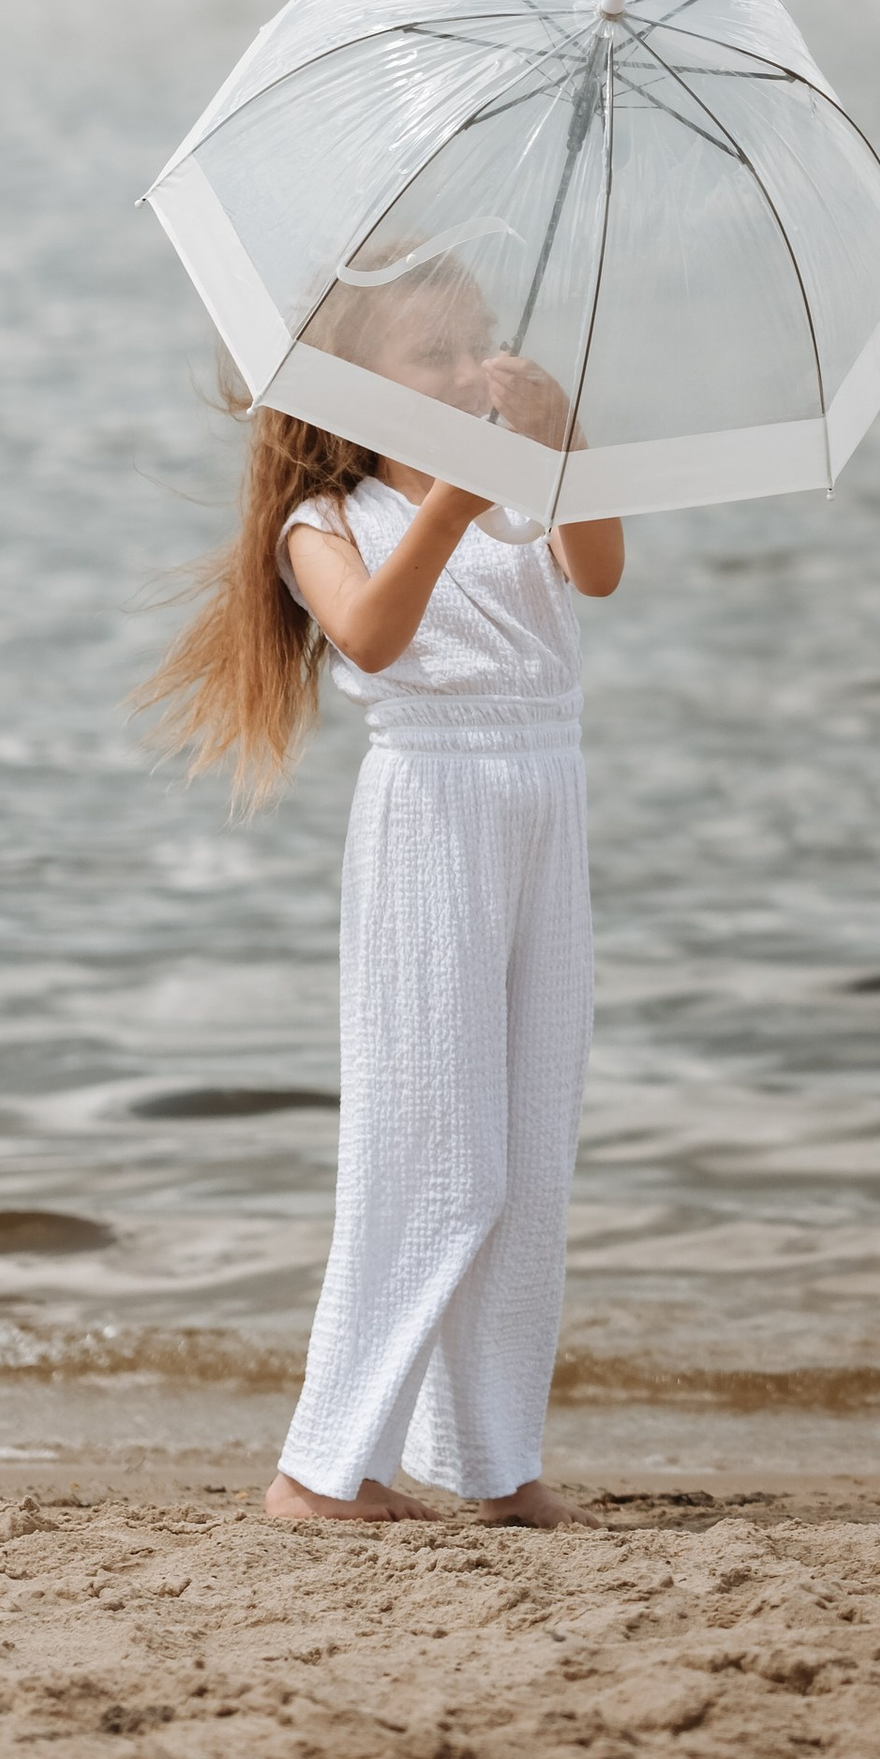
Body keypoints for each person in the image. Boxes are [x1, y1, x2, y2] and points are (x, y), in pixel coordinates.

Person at [139, 251, 623, 1528]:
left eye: (482, 343)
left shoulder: (521, 489)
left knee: (528, 1152)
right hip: (434, 812)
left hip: (544, 802)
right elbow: (370, 636)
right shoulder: (328, 522)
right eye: (432, 356)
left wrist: (562, 439)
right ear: (356, 390)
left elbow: (604, 568)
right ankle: (322, 1467)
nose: (470, 373)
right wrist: (451, 508)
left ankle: (496, 1462)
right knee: (433, 1150)